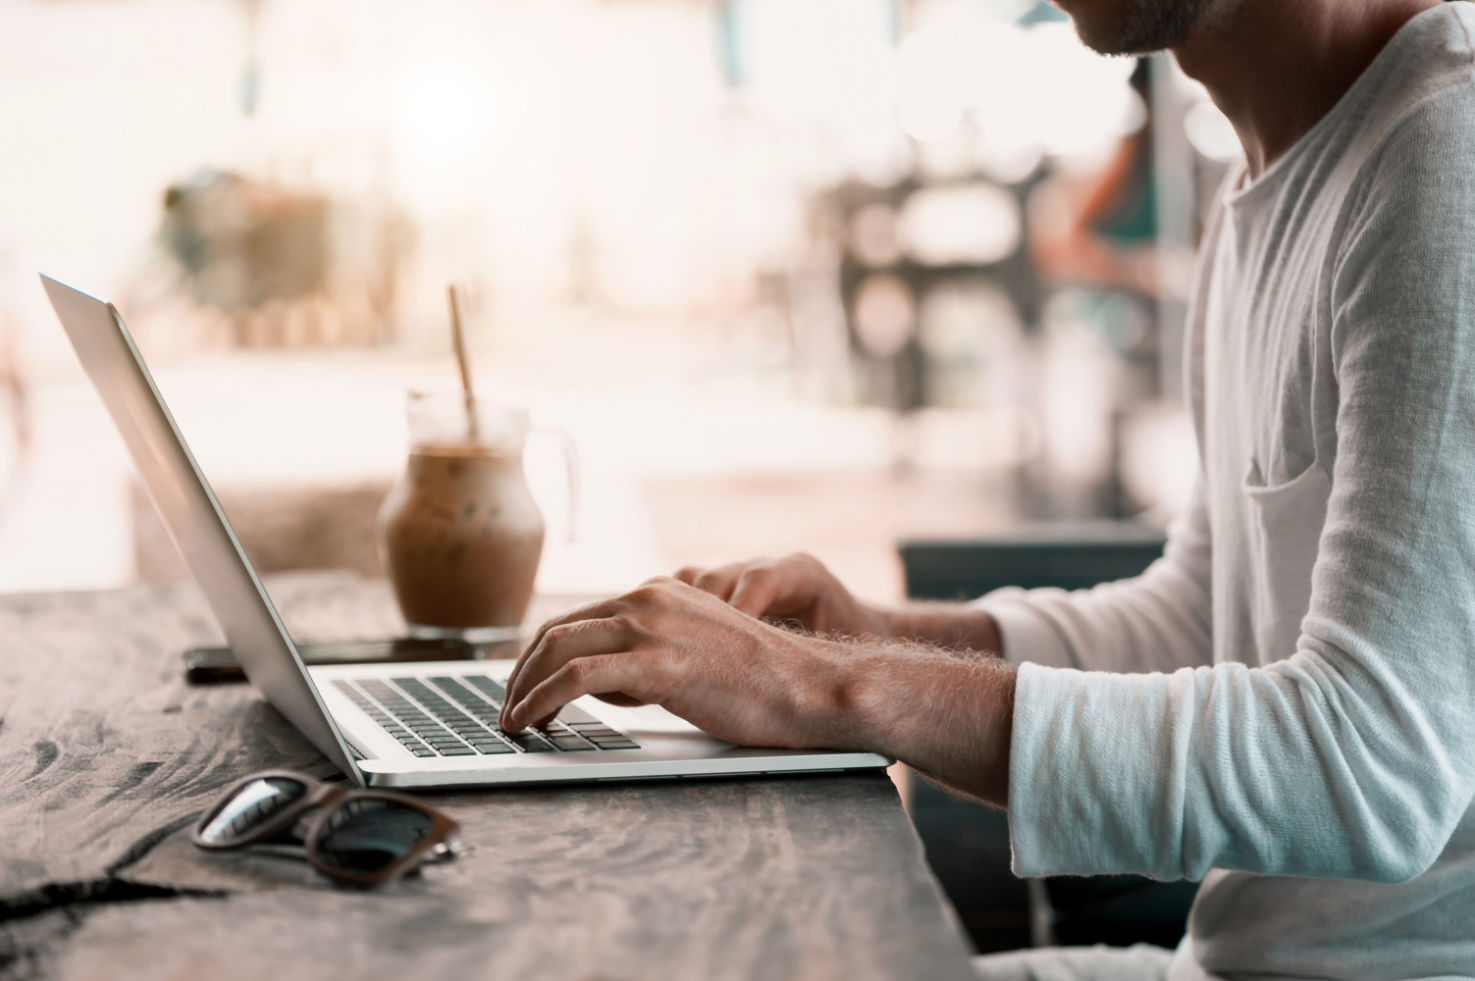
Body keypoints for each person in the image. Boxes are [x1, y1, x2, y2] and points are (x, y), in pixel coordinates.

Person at [500, 0, 1475, 976]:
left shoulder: (1445, 160)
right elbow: (1196, 619)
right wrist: (861, 634)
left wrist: (828, 685)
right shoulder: (1260, 177)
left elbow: (1370, 766)